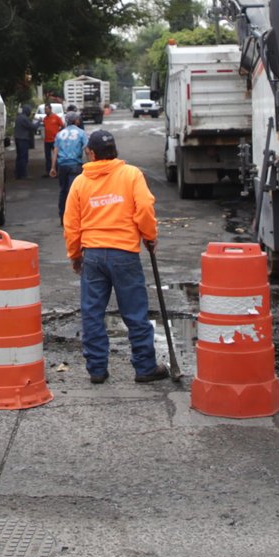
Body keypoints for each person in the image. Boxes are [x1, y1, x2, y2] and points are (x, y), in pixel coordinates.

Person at [63, 129, 169, 385]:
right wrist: (149, 236)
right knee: (135, 313)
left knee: (92, 313)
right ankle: (144, 367)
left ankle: (97, 369)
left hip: (94, 256)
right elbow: (144, 208)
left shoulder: (80, 182)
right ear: (115, 151)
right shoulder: (131, 175)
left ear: (91, 152)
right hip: (125, 254)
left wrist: (75, 255)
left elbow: (71, 225)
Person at [51, 110, 87, 221]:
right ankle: (74, 218)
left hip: (62, 166)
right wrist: (91, 165)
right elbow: (87, 149)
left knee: (63, 191)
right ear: (76, 121)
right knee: (75, 192)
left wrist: (53, 167)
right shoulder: (81, 133)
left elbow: (55, 151)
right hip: (75, 165)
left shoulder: (59, 134)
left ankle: (62, 216)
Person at [13, 105, 36, 180]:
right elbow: (32, 127)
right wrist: (38, 122)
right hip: (23, 139)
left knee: (19, 157)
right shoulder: (24, 118)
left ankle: (18, 173)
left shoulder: (19, 117)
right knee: (23, 157)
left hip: (17, 139)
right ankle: (23, 174)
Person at [41, 104, 64, 174]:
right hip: (47, 140)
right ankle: (48, 171)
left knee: (56, 156)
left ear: (50, 109)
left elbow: (62, 126)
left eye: (46, 109)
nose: (45, 111)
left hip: (55, 140)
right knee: (47, 157)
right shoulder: (45, 119)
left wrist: (59, 134)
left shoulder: (56, 117)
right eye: (44, 109)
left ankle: (56, 170)